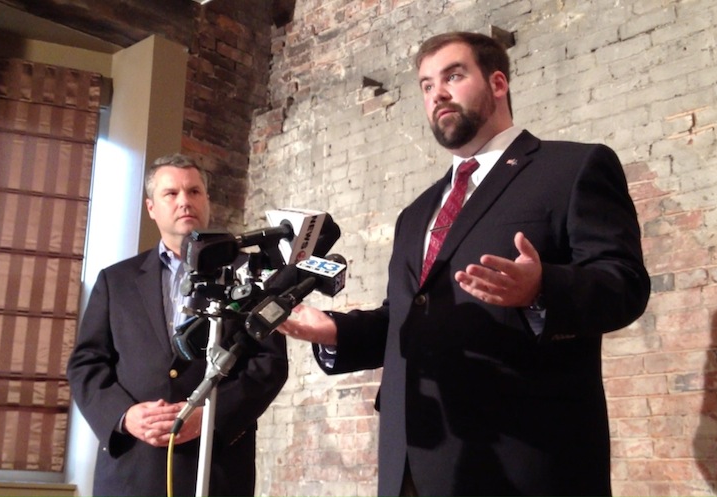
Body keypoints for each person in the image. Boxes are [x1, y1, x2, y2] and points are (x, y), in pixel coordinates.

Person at [278, 32, 650, 496]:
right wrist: (334, 331)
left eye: (453, 76)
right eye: (426, 85)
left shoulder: (572, 168)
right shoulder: (416, 213)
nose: (439, 94)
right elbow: (406, 317)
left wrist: (541, 289)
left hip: (527, 458)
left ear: (498, 83)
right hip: (413, 459)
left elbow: (625, 283)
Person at [67, 153, 288, 496]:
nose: (185, 201)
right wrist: (124, 416)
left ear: (207, 201)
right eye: (171, 194)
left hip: (216, 467)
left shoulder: (252, 274)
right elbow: (86, 364)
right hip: (132, 469)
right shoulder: (116, 280)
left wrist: (210, 417)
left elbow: (269, 363)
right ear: (151, 207)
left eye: (194, 192)